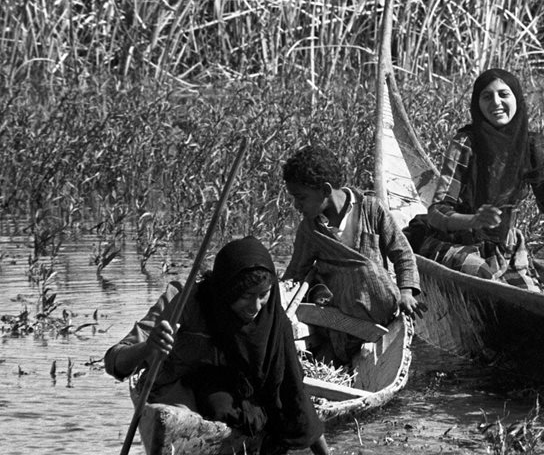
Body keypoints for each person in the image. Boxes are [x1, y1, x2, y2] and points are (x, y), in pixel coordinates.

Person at [104, 236, 330, 455]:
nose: (255, 307)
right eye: (246, 296)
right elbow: (114, 361)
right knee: (190, 411)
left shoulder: (272, 320)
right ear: (227, 289)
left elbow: (294, 391)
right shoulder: (185, 300)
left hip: (242, 399)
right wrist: (148, 348)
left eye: (263, 295)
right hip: (181, 393)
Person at [409, 67, 544, 292]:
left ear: (517, 99)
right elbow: (438, 212)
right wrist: (474, 220)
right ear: (478, 105)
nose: (496, 102)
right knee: (483, 275)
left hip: (505, 249)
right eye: (487, 97)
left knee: (537, 296)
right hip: (454, 245)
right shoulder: (465, 144)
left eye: (503, 94)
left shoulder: (532, 146)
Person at [281, 143, 424, 363]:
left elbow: (402, 252)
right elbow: (296, 273)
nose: (296, 205)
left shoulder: (372, 210)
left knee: (367, 269)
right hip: (338, 321)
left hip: (380, 313)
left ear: (326, 190)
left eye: (301, 197)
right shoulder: (310, 230)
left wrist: (406, 291)